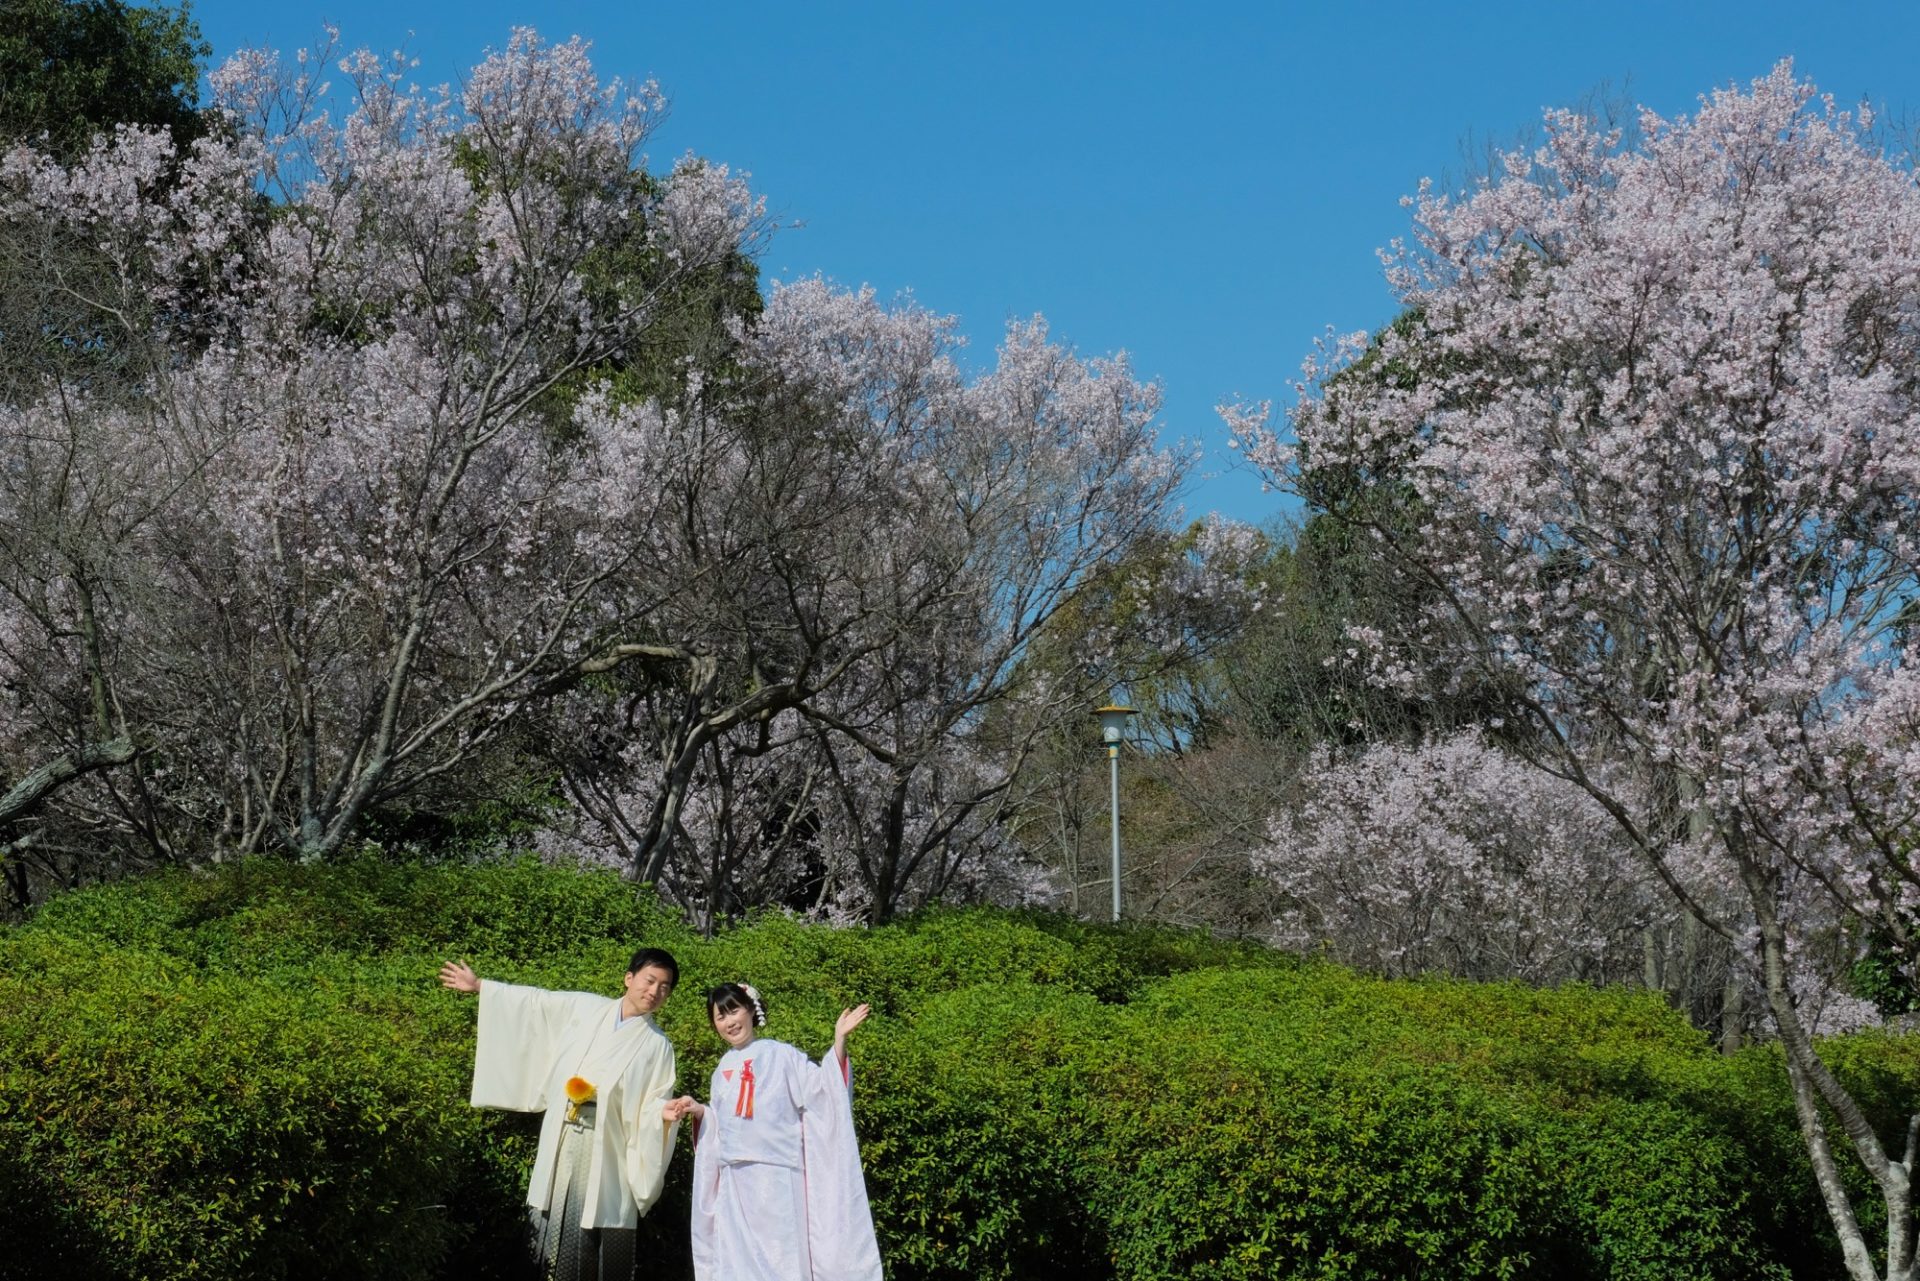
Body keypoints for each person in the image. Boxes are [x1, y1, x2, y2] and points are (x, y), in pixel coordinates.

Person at [439, 949, 682, 1281]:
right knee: (550, 1214)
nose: (654, 992)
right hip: (564, 1129)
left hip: (609, 1147)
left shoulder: (658, 1045)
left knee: (599, 1220)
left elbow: (654, 1100)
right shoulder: (587, 1008)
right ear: (629, 978)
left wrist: (663, 1114)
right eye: (649, 980)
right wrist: (481, 986)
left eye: (664, 987)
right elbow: (537, 1004)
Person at [664, 983, 883, 1281]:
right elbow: (722, 1125)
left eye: (734, 1010)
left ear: (751, 1010)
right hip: (734, 1184)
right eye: (720, 1016)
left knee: (783, 1260)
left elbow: (822, 1092)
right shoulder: (721, 1070)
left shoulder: (782, 1055)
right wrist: (701, 1112)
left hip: (778, 1178)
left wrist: (839, 1041)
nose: (729, 1021)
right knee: (737, 1264)